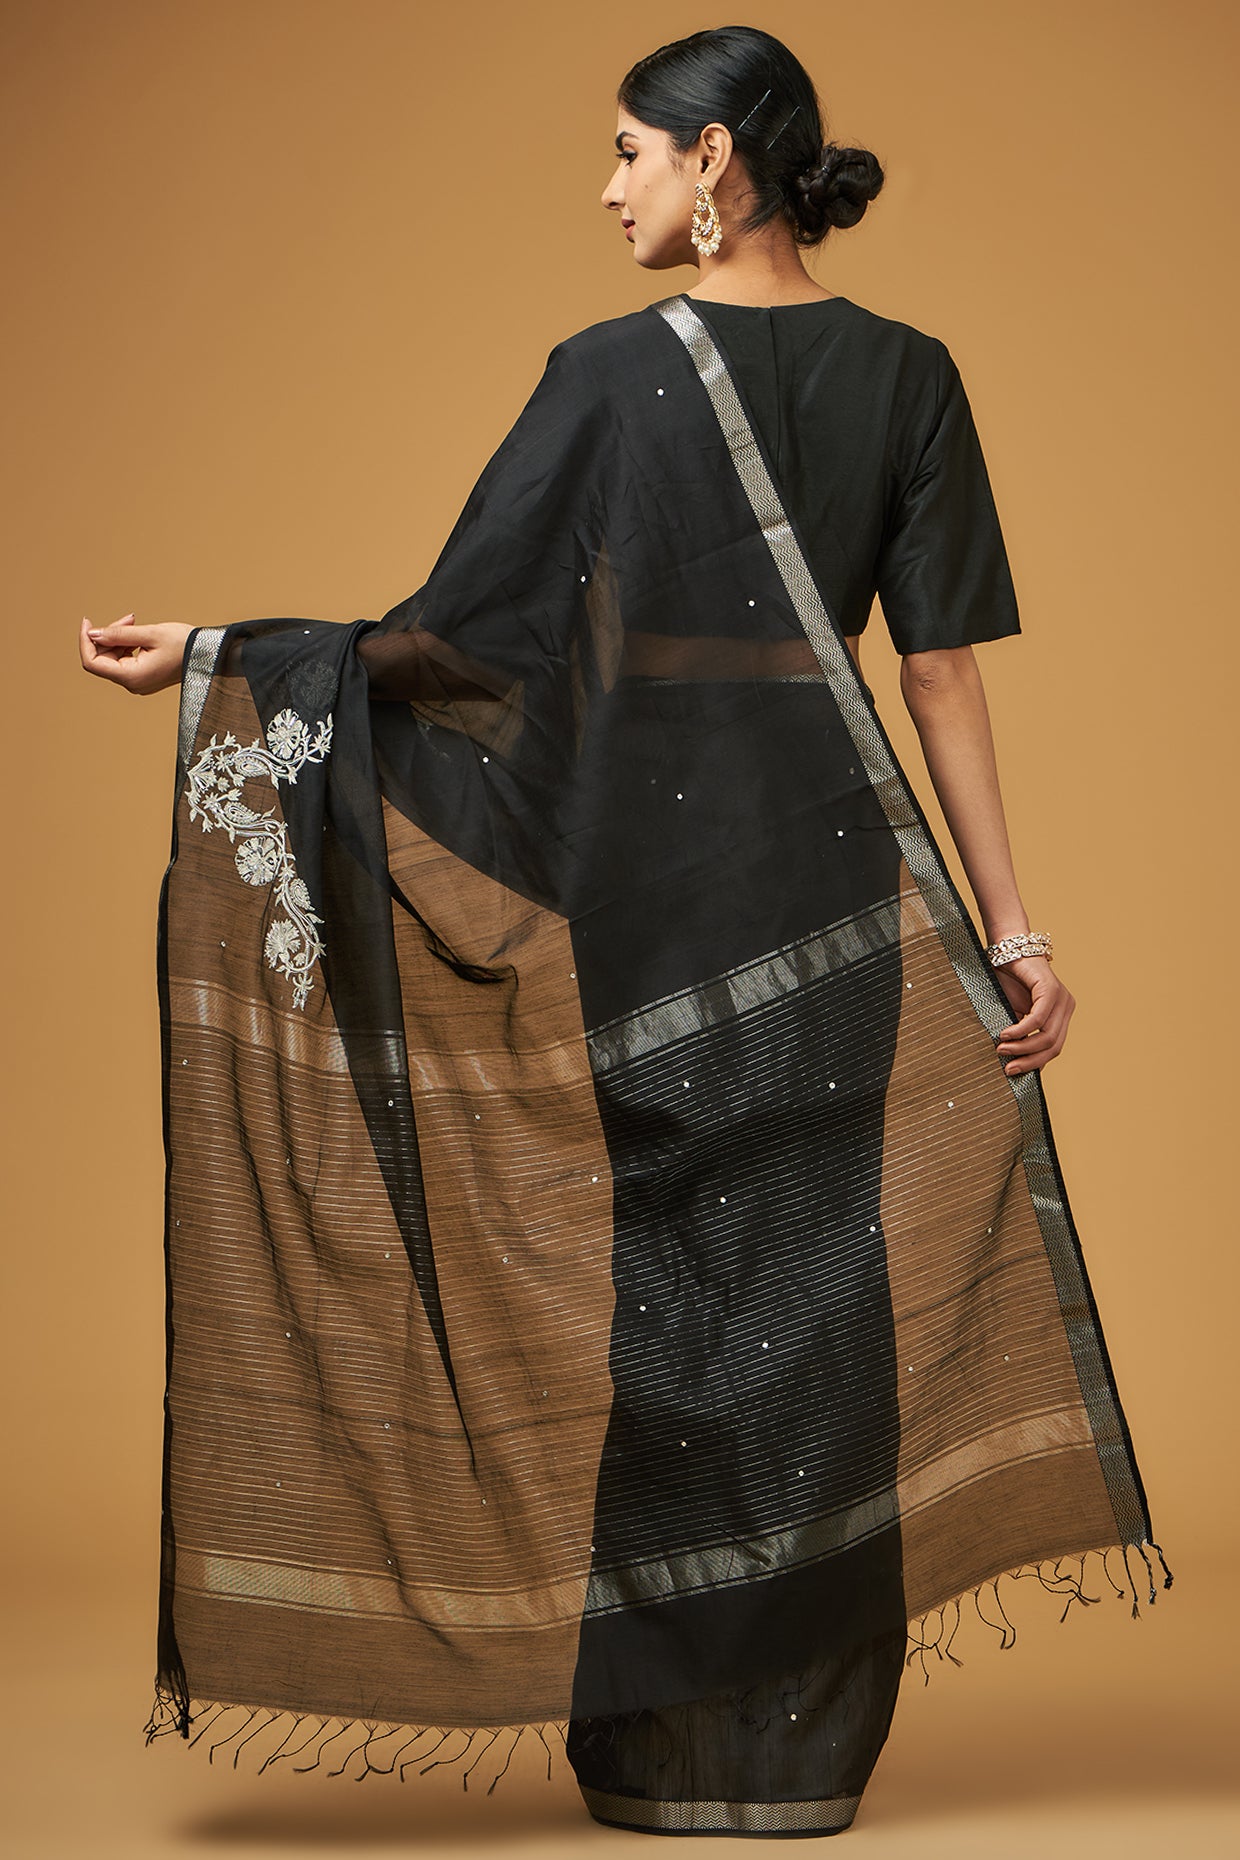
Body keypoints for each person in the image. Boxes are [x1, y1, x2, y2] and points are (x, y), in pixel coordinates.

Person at [77, 24, 1169, 1842]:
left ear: (715, 157)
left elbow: (457, 653)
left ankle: (669, 1756)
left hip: (657, 897)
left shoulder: (606, 375)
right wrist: (1012, 929)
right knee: (822, 1308)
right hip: (836, 894)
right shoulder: (911, 374)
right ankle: (798, 1758)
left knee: (671, 1305)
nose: (610, 191)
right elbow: (940, 679)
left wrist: (217, 653)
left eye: (631, 154)